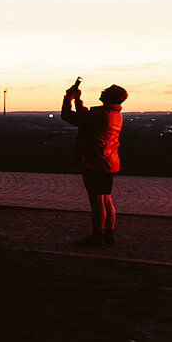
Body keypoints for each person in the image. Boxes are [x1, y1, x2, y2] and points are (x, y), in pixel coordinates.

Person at [61, 78, 127, 247]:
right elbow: (84, 117)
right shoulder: (115, 115)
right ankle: (109, 235)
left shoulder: (100, 115)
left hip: (95, 162)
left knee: (97, 201)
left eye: (105, 91)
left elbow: (68, 116)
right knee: (106, 199)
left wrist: (68, 98)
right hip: (110, 162)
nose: (102, 91)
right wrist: (78, 99)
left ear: (109, 97)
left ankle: (97, 237)